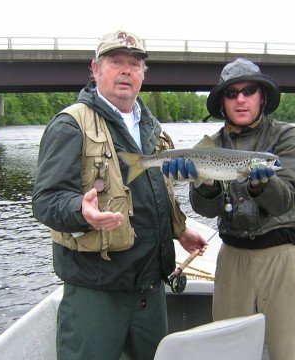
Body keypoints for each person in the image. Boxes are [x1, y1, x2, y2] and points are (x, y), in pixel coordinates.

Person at [32, 30, 207, 360]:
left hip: (150, 290)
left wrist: (178, 231)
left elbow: (153, 195)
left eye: (135, 64)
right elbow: (45, 201)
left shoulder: (153, 130)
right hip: (96, 292)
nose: (127, 70)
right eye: (116, 62)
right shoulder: (70, 125)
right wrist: (79, 211)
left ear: (144, 73)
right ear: (95, 69)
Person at [164, 58, 295, 359]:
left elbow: (286, 202)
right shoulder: (210, 145)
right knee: (227, 353)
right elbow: (204, 209)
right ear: (223, 102)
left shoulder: (286, 137)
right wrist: (204, 184)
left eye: (249, 90)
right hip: (232, 260)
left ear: (262, 96)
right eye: (232, 93)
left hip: (281, 260)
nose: (241, 99)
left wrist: (261, 185)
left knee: (291, 352)